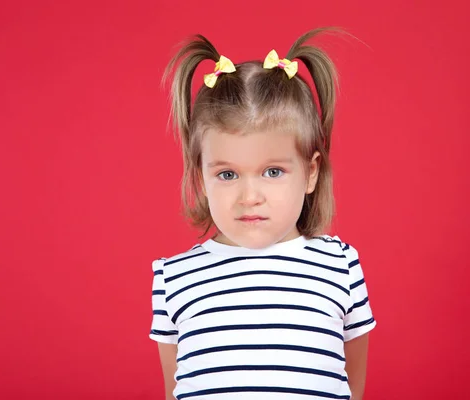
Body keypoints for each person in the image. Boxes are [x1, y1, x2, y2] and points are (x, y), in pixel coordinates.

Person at [149, 27, 376, 400]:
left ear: (311, 173)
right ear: (200, 178)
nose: (249, 196)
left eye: (273, 172)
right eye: (227, 174)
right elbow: (177, 389)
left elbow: (351, 385)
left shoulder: (341, 265)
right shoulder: (175, 277)